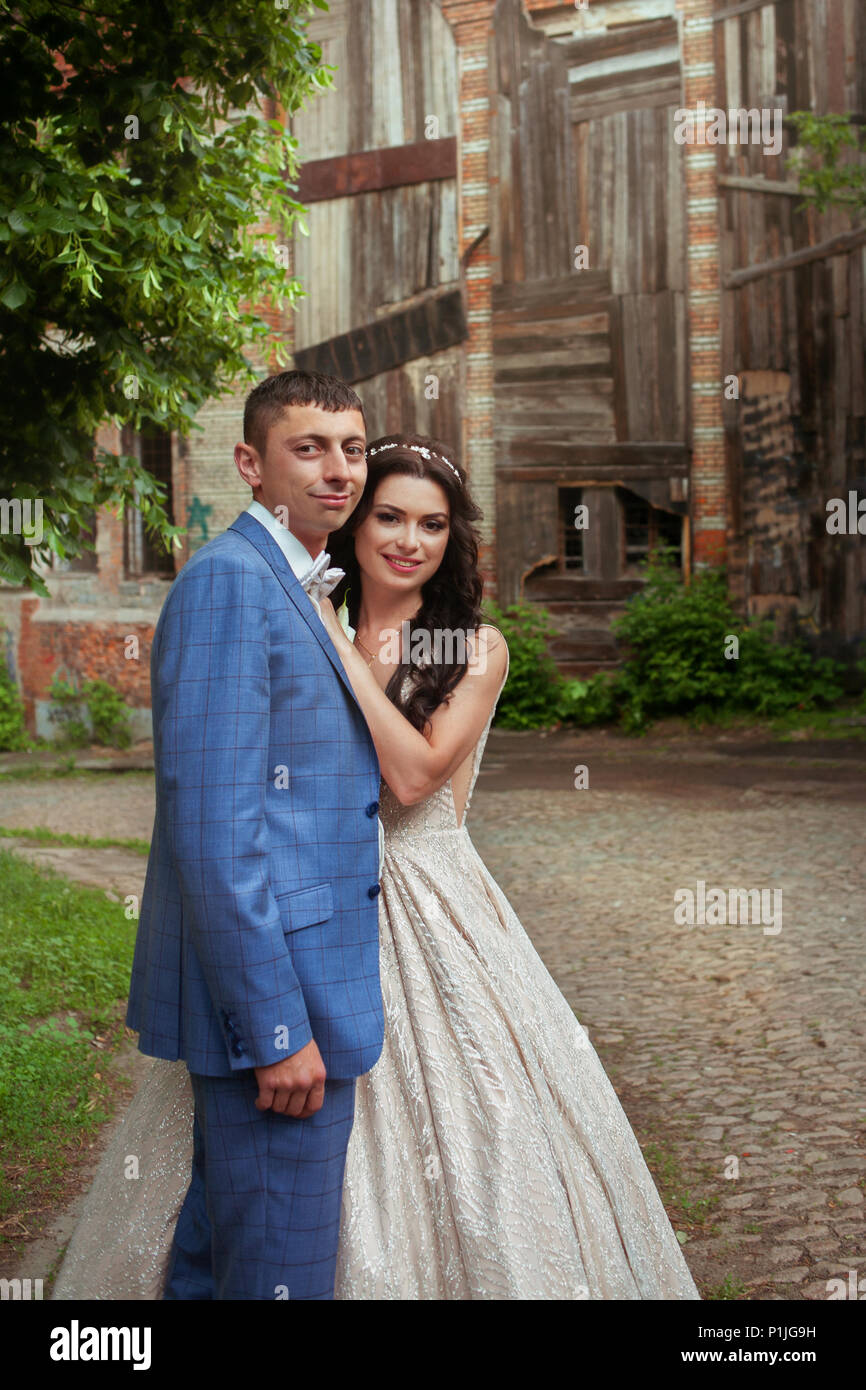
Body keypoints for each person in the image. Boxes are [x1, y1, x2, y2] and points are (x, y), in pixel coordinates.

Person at [52, 424, 700, 1301]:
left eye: (432, 526)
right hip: (310, 905)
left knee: (483, 1136)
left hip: (430, 902)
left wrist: (337, 645)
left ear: (452, 539)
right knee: (259, 1154)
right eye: (389, 516)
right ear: (356, 523)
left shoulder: (472, 645)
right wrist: (326, 627)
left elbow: (412, 772)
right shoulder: (301, 610)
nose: (408, 541)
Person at [122, 369, 384, 1301]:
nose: (337, 471)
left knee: (225, 1257)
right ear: (250, 463)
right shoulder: (231, 584)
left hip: (303, 988)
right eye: (307, 449)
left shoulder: (293, 579)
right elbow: (213, 830)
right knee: (281, 1274)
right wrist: (274, 1029)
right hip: (280, 1009)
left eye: (351, 449)